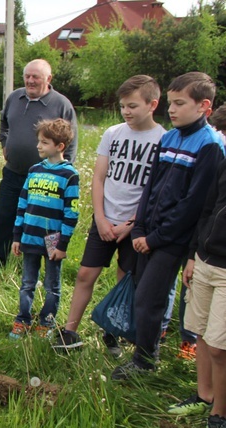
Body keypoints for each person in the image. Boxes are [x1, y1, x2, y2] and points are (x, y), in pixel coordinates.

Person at [112, 72, 225, 381]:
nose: (171, 110)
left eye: (179, 103)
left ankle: (145, 361)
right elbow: (150, 188)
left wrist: (156, 237)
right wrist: (139, 229)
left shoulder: (210, 145)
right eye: (170, 103)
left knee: (149, 298)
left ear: (203, 106)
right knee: (144, 296)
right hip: (149, 233)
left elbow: (194, 204)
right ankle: (146, 348)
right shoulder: (169, 137)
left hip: (175, 240)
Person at [52, 75, 165, 352]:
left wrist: (132, 225)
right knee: (85, 275)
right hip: (105, 219)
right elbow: (99, 178)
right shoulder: (112, 134)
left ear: (152, 104)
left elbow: (158, 192)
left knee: (124, 279)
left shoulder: (163, 139)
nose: (126, 112)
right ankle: (69, 331)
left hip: (135, 227)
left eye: (132, 106)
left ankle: (114, 331)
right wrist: (100, 218)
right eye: (123, 106)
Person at [0, 59, 78, 272]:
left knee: (45, 225)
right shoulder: (14, 98)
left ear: (48, 79)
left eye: (35, 76)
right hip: (13, 173)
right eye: (27, 76)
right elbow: (4, 124)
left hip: (46, 180)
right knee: (4, 219)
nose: (30, 80)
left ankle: (48, 269)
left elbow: (71, 142)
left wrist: (63, 173)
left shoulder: (61, 104)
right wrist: (5, 144)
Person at [166, 157, 226, 428]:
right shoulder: (223, 163)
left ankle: (220, 415)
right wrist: (192, 255)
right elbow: (207, 210)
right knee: (200, 330)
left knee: (219, 345)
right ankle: (204, 396)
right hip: (204, 259)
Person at [9, 119, 79, 339]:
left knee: (52, 285)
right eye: (39, 141)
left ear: (59, 146)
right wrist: (17, 236)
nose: (38, 146)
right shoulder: (34, 170)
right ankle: (23, 319)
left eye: (44, 142)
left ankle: (46, 322)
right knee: (27, 282)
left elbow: (71, 213)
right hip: (30, 234)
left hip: (52, 239)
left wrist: (62, 244)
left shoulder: (70, 175)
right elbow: (22, 204)